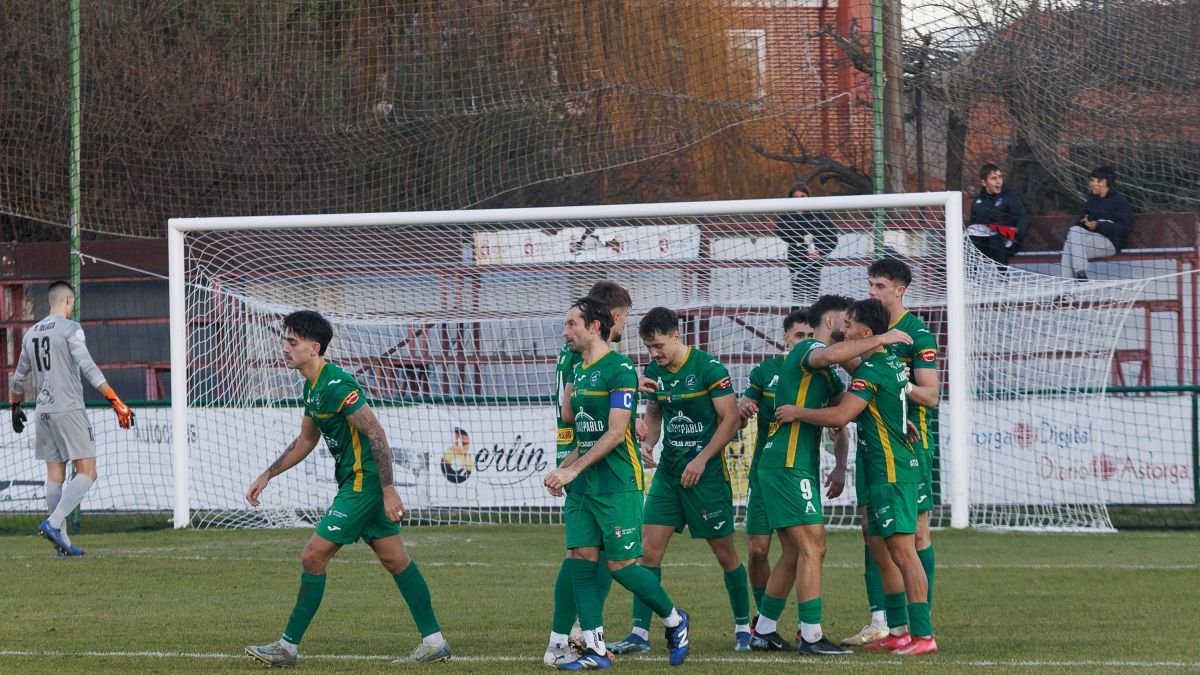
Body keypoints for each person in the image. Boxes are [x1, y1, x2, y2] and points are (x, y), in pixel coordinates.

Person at [244, 311, 450, 667]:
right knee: (396, 561)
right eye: (285, 341)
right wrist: (268, 474)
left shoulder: (337, 385)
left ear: (314, 347)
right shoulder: (313, 386)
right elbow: (306, 440)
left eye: (292, 342)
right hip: (357, 486)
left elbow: (376, 433)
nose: (284, 348)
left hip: (362, 486)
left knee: (312, 555)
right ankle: (434, 642)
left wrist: (388, 489)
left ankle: (287, 647)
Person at [751, 295, 911, 656]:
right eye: (846, 320)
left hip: (797, 465)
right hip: (786, 464)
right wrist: (881, 338)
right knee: (814, 547)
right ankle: (810, 635)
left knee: (794, 553)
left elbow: (844, 417)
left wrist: (842, 462)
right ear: (832, 321)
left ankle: (763, 630)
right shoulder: (809, 349)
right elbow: (827, 356)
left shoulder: (825, 377)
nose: (849, 326)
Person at [782, 299, 937, 656]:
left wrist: (798, 412)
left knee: (903, 552)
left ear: (866, 333)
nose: (844, 330)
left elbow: (841, 415)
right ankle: (898, 630)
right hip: (887, 466)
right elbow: (886, 404)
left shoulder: (872, 370)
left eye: (849, 325)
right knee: (888, 550)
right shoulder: (886, 364)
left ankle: (924, 635)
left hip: (891, 470)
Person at [545, 297, 690, 670]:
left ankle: (674, 620)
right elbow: (584, 433)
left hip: (617, 483)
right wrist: (564, 467)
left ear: (594, 326)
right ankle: (595, 649)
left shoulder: (620, 368)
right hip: (584, 487)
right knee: (580, 559)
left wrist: (572, 470)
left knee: (622, 566)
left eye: (571, 324)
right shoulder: (578, 371)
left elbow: (614, 433)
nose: (565, 332)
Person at [609, 307, 748, 654]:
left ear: (676, 335)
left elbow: (730, 419)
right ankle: (639, 634)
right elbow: (655, 412)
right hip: (670, 476)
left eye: (658, 345)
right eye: (648, 348)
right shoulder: (654, 370)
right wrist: (648, 442)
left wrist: (702, 459)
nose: (654, 354)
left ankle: (744, 628)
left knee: (725, 554)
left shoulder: (709, 368)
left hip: (707, 477)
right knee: (648, 552)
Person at [840, 258, 941, 648]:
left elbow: (930, 395)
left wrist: (896, 388)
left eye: (880, 286)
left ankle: (922, 624)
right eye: (870, 284)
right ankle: (890, 626)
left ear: (900, 289)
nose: (872, 292)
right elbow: (863, 374)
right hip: (872, 444)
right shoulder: (868, 332)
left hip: (908, 444)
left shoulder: (916, 333)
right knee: (873, 533)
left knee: (914, 535)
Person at [8, 281, 135, 557]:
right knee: (88, 471)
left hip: (42, 410)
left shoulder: (31, 334)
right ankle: (54, 524)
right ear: (68, 301)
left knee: (55, 474)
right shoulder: (70, 329)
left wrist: (15, 406)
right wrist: (115, 400)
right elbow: (87, 366)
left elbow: (18, 377)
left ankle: (61, 544)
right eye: (72, 303)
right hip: (68, 408)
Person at [544, 281, 633, 667]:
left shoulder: (577, 355)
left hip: (573, 449)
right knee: (595, 552)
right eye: (626, 318)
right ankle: (573, 635)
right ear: (610, 319)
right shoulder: (593, 359)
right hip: (587, 453)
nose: (625, 325)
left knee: (582, 551)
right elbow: (577, 413)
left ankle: (571, 636)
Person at [738, 309, 812, 628]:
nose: (806, 343)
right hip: (764, 472)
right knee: (757, 550)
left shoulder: (820, 373)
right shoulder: (765, 372)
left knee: (798, 550)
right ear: (785, 337)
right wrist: (743, 410)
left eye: (811, 337)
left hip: (797, 472)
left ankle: (784, 621)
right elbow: (740, 415)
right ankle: (763, 615)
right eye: (799, 336)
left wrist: (839, 463)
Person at [1060, 166, 1133, 279]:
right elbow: (1078, 225)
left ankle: (1067, 290)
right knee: (1073, 235)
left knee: (1069, 248)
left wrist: (1098, 226)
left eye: (1093, 180)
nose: (1090, 183)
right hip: (1089, 242)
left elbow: (1124, 229)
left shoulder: (1120, 202)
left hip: (1110, 243)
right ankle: (1080, 274)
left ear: (1103, 182)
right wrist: (1085, 223)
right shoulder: (1091, 201)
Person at [776, 182, 837, 306]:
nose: (800, 200)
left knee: (812, 297)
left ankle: (812, 323)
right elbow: (781, 231)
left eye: (803, 196)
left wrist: (820, 251)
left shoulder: (818, 215)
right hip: (796, 262)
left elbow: (832, 238)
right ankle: (795, 323)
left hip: (814, 264)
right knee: (797, 297)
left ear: (808, 197)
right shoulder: (787, 216)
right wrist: (801, 237)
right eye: (796, 197)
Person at [966, 163, 1029, 266]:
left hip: (1008, 240)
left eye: (1000, 177)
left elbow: (1022, 217)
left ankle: (1002, 278)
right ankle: (971, 277)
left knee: (996, 238)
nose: (998, 181)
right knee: (970, 239)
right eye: (993, 178)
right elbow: (974, 224)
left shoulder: (1009, 196)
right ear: (984, 182)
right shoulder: (978, 201)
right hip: (984, 243)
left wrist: (1018, 231)